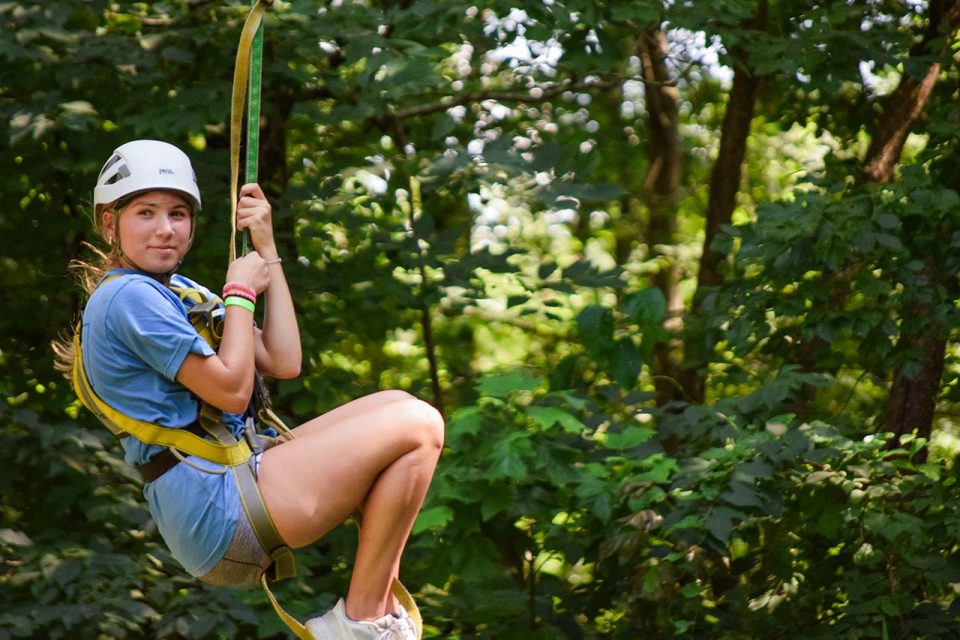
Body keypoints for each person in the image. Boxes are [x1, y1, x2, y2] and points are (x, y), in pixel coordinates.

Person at [54, 140, 443, 640]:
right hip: (215, 505)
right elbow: (232, 394)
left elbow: (283, 360)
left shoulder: (172, 290)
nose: (166, 228)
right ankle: (362, 624)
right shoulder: (126, 297)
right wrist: (239, 292)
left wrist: (268, 251)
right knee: (419, 425)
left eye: (177, 213)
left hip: (229, 482)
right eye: (145, 213)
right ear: (111, 224)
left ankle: (374, 615)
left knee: (398, 406)